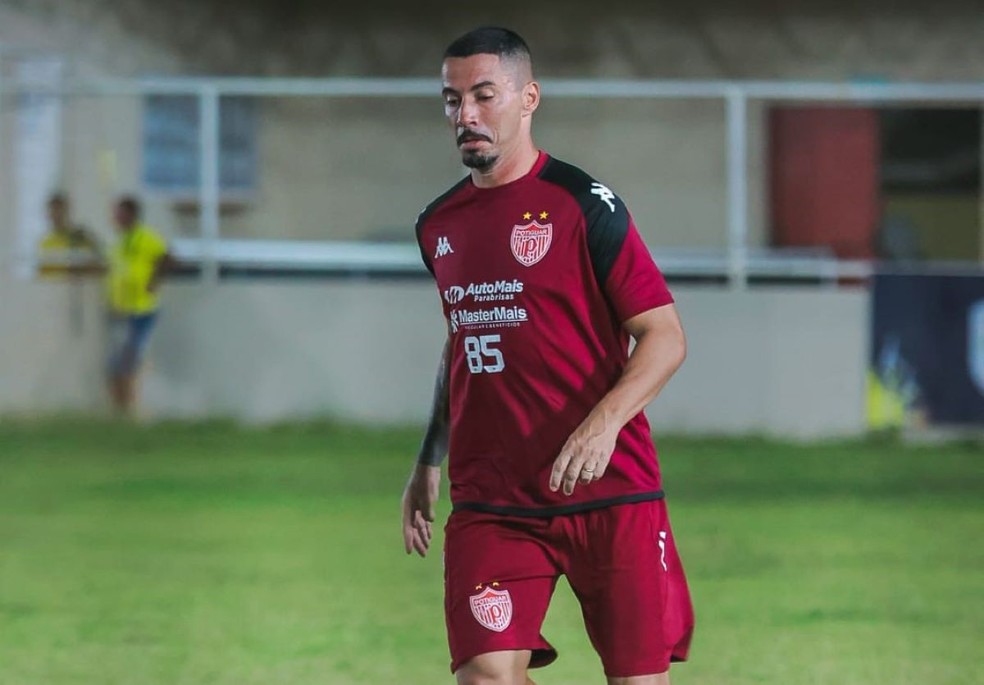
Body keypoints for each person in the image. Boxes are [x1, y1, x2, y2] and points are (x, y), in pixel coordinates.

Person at [402, 27, 694, 685]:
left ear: (528, 97)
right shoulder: (437, 226)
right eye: (452, 100)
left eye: (483, 95)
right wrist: (429, 456)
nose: (465, 116)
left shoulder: (583, 205)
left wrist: (602, 423)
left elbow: (665, 335)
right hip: (493, 499)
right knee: (484, 674)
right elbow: (463, 344)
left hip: (611, 492)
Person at [105, 195, 174, 415]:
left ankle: (130, 407)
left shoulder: (146, 237)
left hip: (142, 310)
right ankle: (120, 407)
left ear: (131, 215)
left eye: (120, 213)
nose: (115, 217)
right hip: (121, 310)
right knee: (117, 362)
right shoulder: (119, 241)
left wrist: (154, 282)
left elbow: (169, 258)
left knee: (130, 359)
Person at [37, 192, 103, 276]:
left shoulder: (79, 237)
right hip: (51, 287)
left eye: (59, 210)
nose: (56, 215)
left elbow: (96, 264)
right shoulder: (45, 243)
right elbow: (41, 272)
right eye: (53, 210)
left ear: (67, 211)